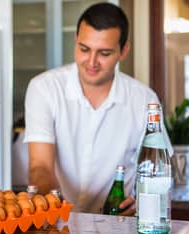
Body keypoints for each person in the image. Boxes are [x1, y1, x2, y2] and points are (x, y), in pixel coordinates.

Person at [23, 2, 171, 215]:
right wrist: (54, 208)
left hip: (120, 226)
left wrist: (142, 202)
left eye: (104, 53)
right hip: (59, 221)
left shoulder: (144, 100)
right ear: (76, 41)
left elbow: (159, 171)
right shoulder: (44, 88)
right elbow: (40, 167)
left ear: (123, 51)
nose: (91, 62)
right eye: (84, 49)